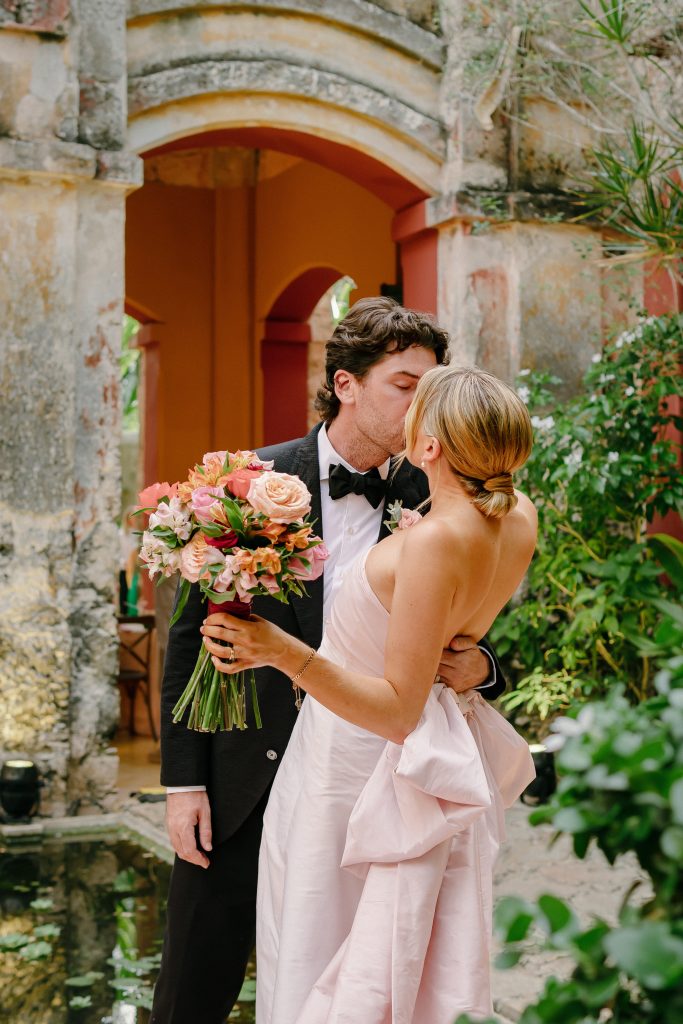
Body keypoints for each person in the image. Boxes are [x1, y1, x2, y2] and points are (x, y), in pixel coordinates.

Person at [151, 299, 507, 1023]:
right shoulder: (253, 481)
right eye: (405, 386)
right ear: (346, 385)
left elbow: (484, 624)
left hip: (369, 783)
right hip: (241, 773)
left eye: (432, 389)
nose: (423, 408)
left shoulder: (437, 495)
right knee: (194, 981)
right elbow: (191, 636)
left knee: (347, 980)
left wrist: (486, 669)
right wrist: (183, 782)